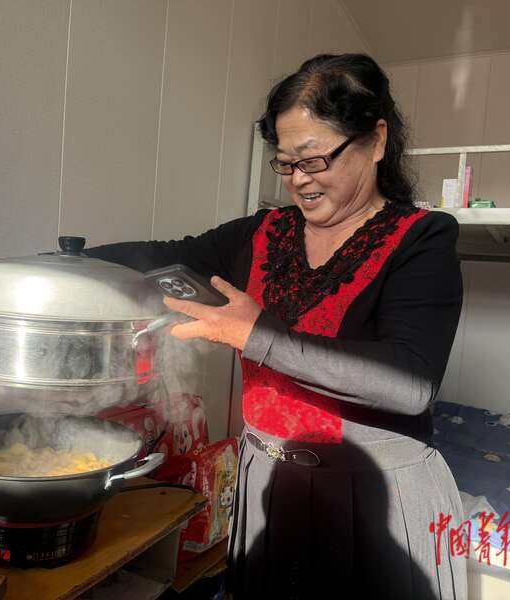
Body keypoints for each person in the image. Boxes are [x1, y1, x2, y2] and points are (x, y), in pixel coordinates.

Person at [86, 53, 466, 599]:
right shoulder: (263, 233)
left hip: (376, 502)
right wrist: (60, 263)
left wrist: (255, 335)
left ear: (377, 141)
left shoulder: (422, 238)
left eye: (314, 159)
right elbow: (162, 255)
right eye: (286, 164)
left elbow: (410, 384)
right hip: (266, 481)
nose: (299, 180)